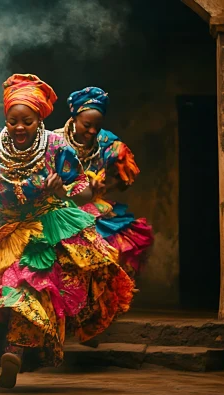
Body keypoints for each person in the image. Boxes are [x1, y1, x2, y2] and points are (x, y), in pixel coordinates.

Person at [0, 74, 134, 389]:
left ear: (40, 120)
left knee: (31, 284)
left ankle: (15, 351)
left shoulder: (56, 145)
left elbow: (83, 192)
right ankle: (10, 350)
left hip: (48, 227)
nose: (19, 127)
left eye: (28, 121)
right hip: (7, 230)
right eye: (13, 121)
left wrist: (63, 191)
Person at [56, 87, 153, 278]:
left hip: (96, 212)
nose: (92, 131)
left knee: (100, 266)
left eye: (97, 127)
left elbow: (126, 179)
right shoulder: (54, 142)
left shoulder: (107, 143)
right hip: (60, 210)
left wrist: (104, 187)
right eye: (87, 125)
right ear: (74, 118)